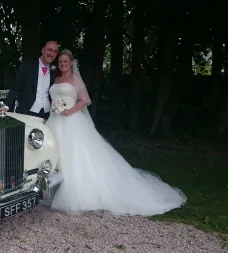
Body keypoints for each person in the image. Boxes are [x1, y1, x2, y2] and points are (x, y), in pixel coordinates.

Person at [45, 49, 187, 216]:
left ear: (71, 63)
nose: (62, 64)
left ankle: (78, 192)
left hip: (71, 120)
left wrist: (70, 111)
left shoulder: (75, 79)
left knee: (74, 155)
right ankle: (53, 186)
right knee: (54, 152)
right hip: (54, 119)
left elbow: (85, 99)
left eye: (65, 62)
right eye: (60, 61)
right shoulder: (56, 78)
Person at [0, 41, 59, 120]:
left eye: (55, 52)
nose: (52, 54)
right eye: (49, 50)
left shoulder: (55, 72)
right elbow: (16, 87)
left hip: (47, 114)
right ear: (43, 50)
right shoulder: (27, 66)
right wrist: (6, 105)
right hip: (27, 112)